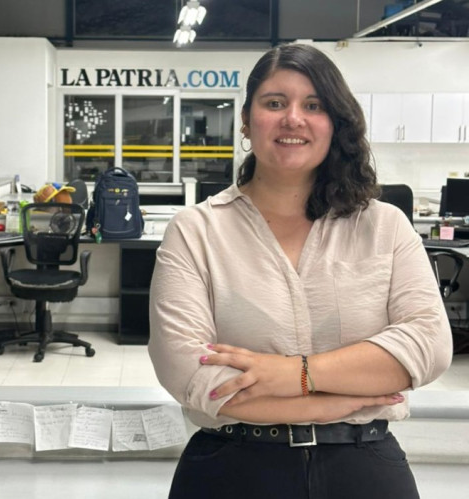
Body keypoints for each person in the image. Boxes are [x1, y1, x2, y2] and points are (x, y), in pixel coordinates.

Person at [148, 43, 452, 499]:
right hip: (231, 469)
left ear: (335, 123)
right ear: (246, 121)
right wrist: (334, 405)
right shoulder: (195, 231)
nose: (293, 118)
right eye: (275, 103)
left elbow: (428, 347)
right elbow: (188, 373)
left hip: (363, 470)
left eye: (313, 105)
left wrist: (296, 375)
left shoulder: (384, 226)